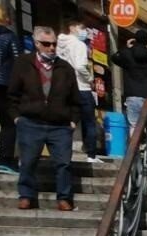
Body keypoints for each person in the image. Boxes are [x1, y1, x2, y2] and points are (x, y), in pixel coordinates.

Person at [8, 26, 79, 211]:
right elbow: (12, 94)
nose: (51, 48)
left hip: (60, 125)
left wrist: (73, 120)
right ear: (37, 44)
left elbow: (75, 99)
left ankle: (64, 198)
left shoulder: (65, 68)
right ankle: (26, 195)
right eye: (46, 44)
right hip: (30, 122)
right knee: (28, 161)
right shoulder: (23, 63)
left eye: (54, 44)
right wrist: (16, 118)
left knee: (63, 163)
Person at [56, 21, 100, 163]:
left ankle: (63, 153)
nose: (84, 32)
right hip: (82, 87)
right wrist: (90, 79)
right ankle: (91, 154)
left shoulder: (59, 45)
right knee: (89, 122)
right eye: (82, 28)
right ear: (72, 28)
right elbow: (80, 66)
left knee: (66, 121)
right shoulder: (79, 45)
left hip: (65, 87)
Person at [110, 29, 147, 132]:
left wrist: (125, 48)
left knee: (134, 127)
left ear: (135, 40)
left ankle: (136, 142)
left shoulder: (127, 54)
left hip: (132, 94)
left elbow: (114, 58)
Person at [0, 10, 20, 174]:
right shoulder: (9, 36)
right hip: (4, 84)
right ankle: (5, 160)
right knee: (8, 122)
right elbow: (18, 60)